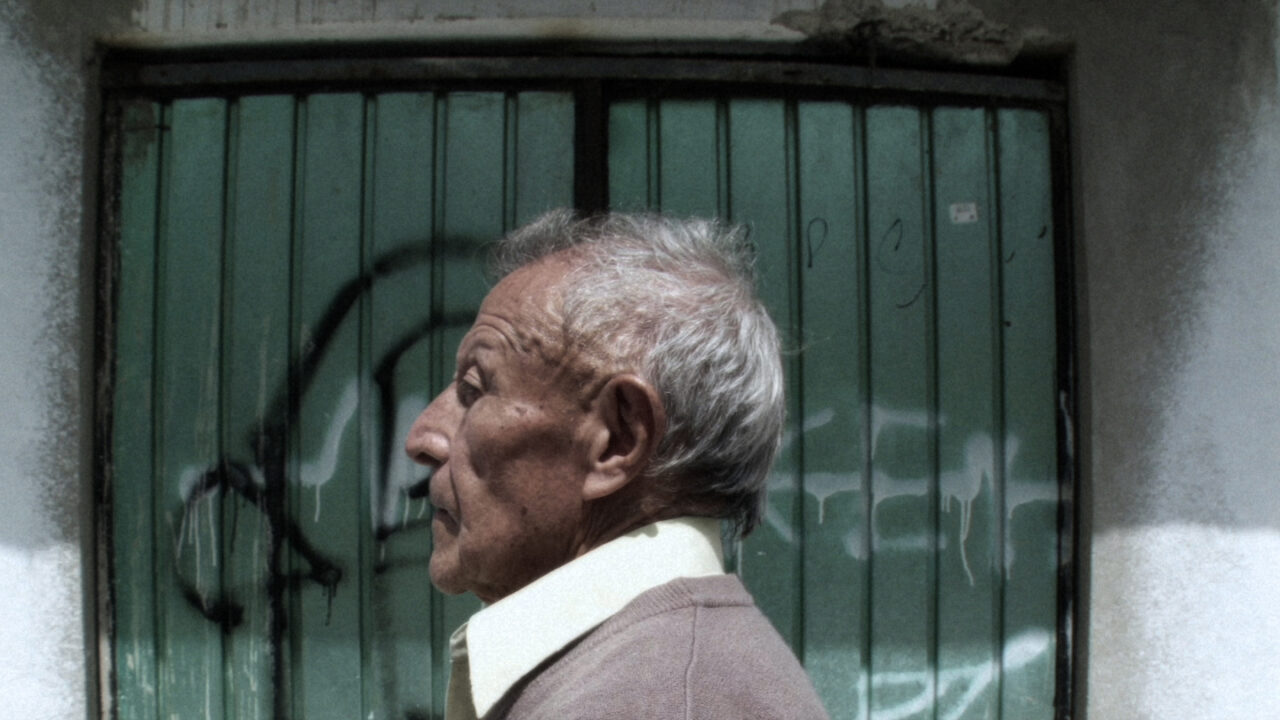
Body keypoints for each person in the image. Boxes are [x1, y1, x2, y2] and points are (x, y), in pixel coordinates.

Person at [404, 209, 830, 720]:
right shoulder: (657, 672)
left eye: (475, 390)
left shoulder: (658, 701)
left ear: (617, 440)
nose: (422, 438)